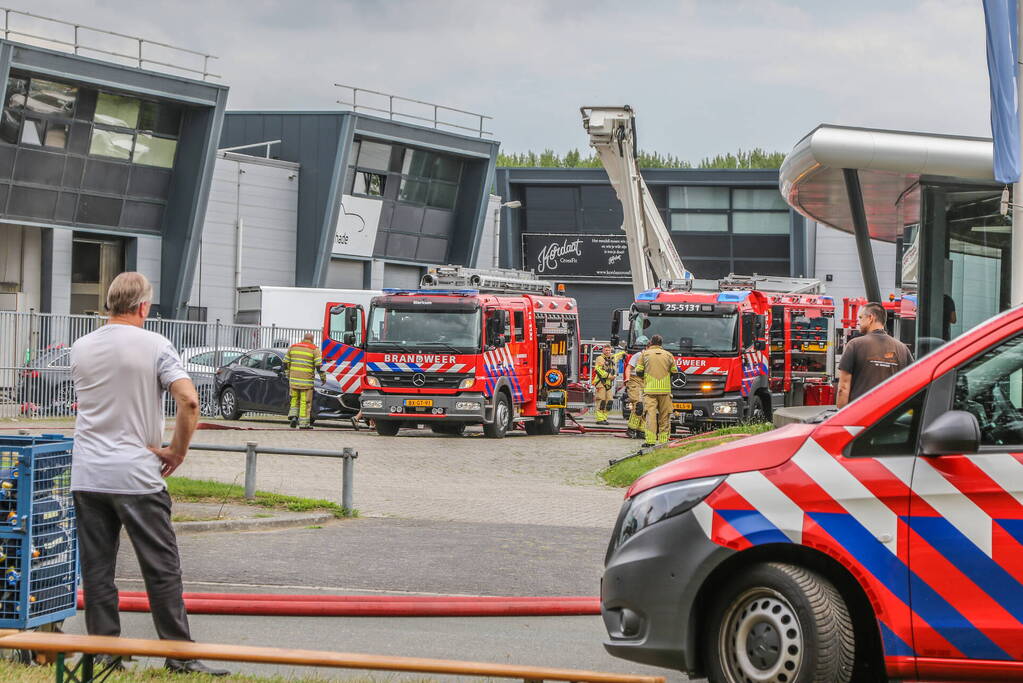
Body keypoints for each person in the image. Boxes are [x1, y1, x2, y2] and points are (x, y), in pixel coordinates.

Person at [70, 272, 228, 676]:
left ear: (109, 304)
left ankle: (105, 652)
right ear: (144, 306)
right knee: (160, 568)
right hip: (137, 476)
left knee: (97, 570)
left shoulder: (81, 347)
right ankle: (179, 656)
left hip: (88, 473)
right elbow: (189, 401)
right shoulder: (156, 345)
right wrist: (176, 451)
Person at [837, 301, 913, 408]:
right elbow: (910, 384)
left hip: (860, 415)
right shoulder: (903, 349)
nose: (859, 321)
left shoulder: (854, 345)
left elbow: (843, 388)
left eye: (861, 317)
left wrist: (840, 417)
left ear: (870, 318)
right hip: (889, 415)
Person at [636, 334, 678, 446]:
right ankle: (663, 441)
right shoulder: (669, 355)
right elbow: (675, 372)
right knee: (665, 416)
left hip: (650, 391)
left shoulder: (644, 354)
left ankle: (650, 441)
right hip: (665, 391)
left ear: (651, 342)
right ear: (661, 343)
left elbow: (638, 371)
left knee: (650, 416)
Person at [284, 333, 326, 429]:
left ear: (303, 338)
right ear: (312, 339)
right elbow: (319, 366)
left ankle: (294, 417)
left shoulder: (293, 347)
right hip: (306, 382)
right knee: (305, 402)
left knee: (294, 399)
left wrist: (288, 375)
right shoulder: (314, 349)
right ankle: (303, 424)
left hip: (293, 381)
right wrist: (323, 378)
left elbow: (285, 362)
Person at [623, 341, 647, 439]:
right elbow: (629, 368)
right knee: (639, 405)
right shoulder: (638, 355)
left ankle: (641, 430)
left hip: (645, 381)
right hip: (634, 380)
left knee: (646, 407)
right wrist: (627, 379)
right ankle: (631, 429)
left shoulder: (652, 357)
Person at [592, 345, 616, 425]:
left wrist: (614, 376)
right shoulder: (600, 358)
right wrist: (610, 376)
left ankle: (604, 418)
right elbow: (599, 370)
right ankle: (600, 419)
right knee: (601, 400)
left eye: (609, 350)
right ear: (603, 351)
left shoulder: (612, 359)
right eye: (606, 350)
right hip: (600, 382)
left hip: (608, 383)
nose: (607, 352)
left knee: (609, 401)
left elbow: (614, 369)